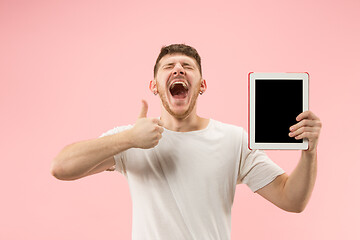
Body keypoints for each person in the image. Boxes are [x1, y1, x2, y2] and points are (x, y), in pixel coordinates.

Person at [51, 44, 322, 240]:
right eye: (169, 67)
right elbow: (61, 167)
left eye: (187, 66)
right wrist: (129, 139)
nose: (178, 69)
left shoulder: (234, 139)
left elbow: (292, 199)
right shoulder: (130, 138)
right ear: (154, 86)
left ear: (201, 85)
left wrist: (309, 152)